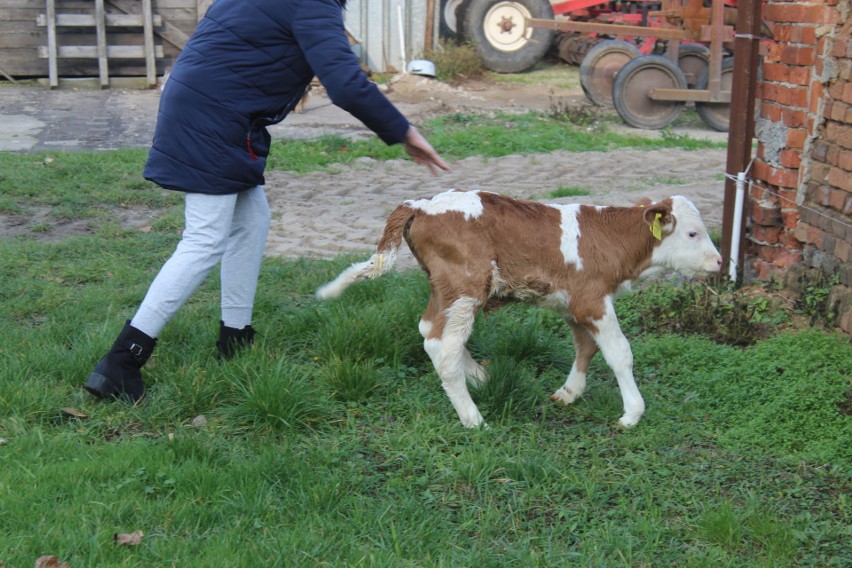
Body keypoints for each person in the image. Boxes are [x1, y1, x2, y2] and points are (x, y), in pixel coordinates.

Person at [84, 0, 449, 403]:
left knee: (252, 218)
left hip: (215, 111)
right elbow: (345, 83)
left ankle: (235, 337)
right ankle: (121, 362)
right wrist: (403, 130)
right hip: (213, 118)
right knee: (204, 239)